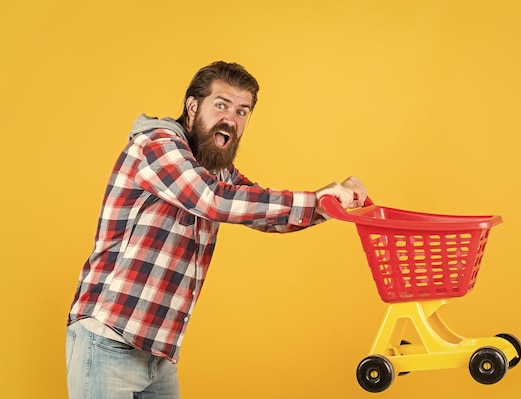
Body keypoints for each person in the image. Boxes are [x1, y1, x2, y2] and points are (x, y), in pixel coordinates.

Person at [65, 61, 368, 398]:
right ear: (192, 106)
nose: (231, 119)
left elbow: (259, 210)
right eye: (221, 105)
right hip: (108, 341)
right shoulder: (156, 145)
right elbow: (214, 201)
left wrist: (329, 204)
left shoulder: (214, 169)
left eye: (242, 111)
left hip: (157, 354)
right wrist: (312, 200)